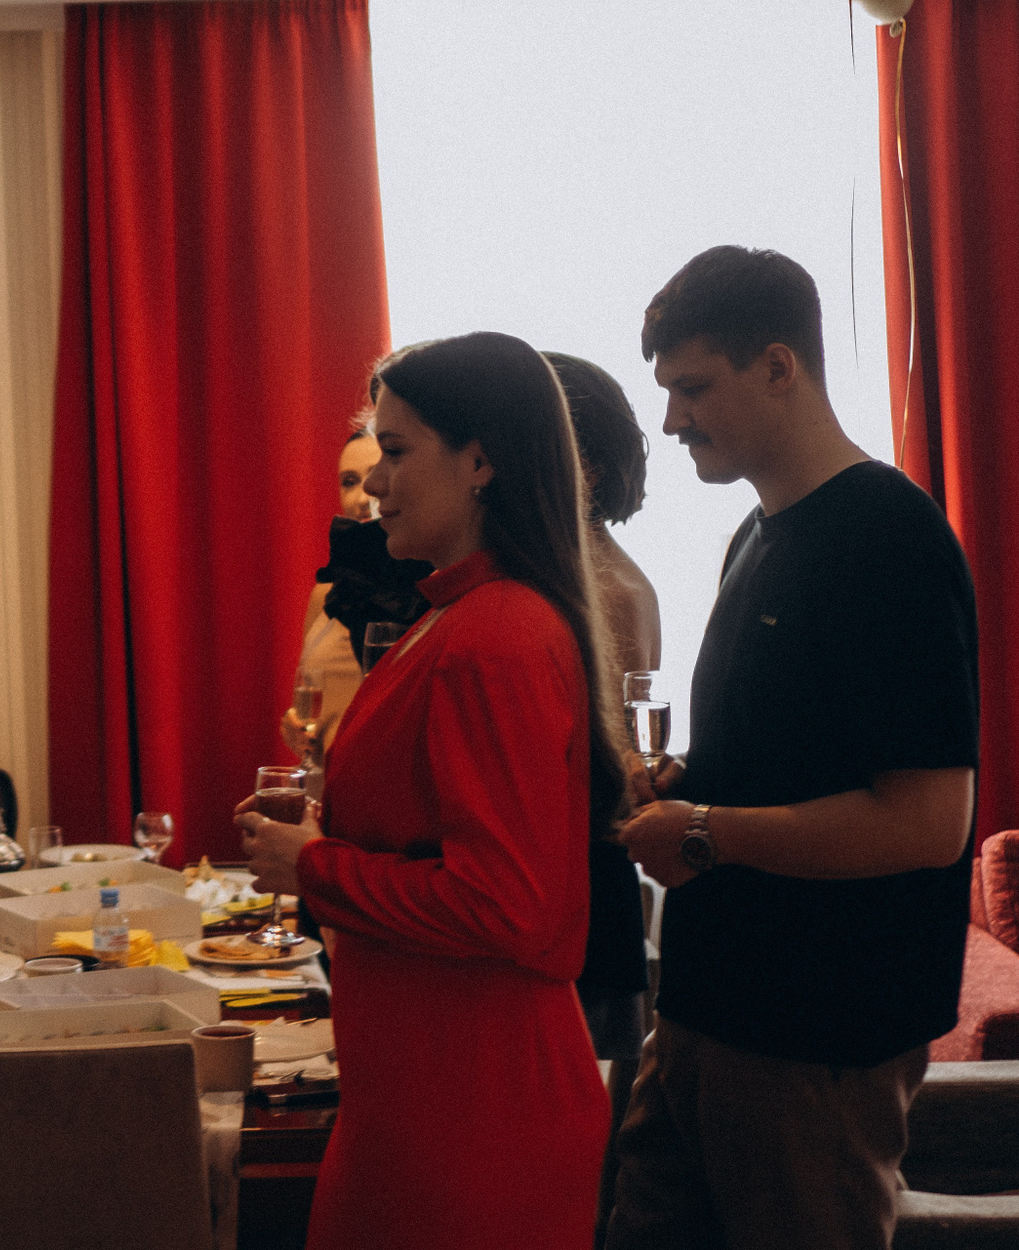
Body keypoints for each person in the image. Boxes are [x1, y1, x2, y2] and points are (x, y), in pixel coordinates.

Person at [610, 247, 977, 1250]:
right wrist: (688, 783)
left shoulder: (891, 539)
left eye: (693, 387)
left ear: (779, 366)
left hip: (815, 1039)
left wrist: (706, 830)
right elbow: (792, 759)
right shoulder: (757, 534)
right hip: (706, 1016)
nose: (672, 419)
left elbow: (927, 821)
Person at [239, 332, 618, 1249]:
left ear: (480, 461)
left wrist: (315, 866)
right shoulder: (458, 614)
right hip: (424, 1090)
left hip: (473, 1108)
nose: (372, 482)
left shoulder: (495, 635)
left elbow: (506, 901)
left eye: (397, 451)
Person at [545, 350, 659, 1247]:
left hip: (578, 891)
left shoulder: (599, 586)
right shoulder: (609, 576)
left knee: (571, 1170)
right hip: (580, 888)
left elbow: (608, 771)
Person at [279, 429, 381, 760]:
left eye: (376, 474)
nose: (362, 497)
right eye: (349, 482)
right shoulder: (325, 595)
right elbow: (306, 705)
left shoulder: (434, 590)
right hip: (320, 784)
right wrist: (293, 727)